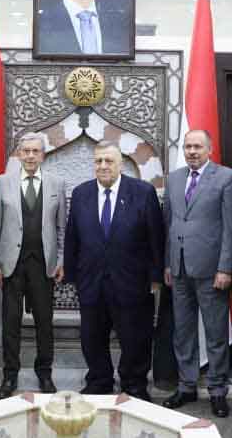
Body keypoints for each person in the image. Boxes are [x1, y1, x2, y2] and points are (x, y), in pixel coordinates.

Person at [64, 141, 164, 400]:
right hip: (92, 281)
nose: (103, 166)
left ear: (121, 164)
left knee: (135, 336)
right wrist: (73, 276)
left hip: (132, 280)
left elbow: (156, 236)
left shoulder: (142, 192)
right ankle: (99, 380)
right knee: (92, 337)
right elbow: (72, 237)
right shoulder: (81, 193)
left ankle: (134, 383)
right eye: (98, 161)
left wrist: (155, 276)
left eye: (109, 161)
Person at [162, 130, 232, 418]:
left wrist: (225, 267)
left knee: (216, 333)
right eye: (187, 146)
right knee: (183, 331)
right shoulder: (174, 178)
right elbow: (169, 224)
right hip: (180, 268)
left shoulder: (226, 178)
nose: (192, 151)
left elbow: (231, 228)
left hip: (212, 271)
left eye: (197, 146)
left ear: (209, 149)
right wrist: (168, 264)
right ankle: (186, 385)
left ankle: (218, 390)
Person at [0, 133, 66, 398]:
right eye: (26, 151)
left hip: (43, 265)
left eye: (35, 151)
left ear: (42, 155)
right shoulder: (3, 182)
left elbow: (61, 228)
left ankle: (44, 373)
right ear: (19, 154)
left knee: (45, 322)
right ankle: (10, 376)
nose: (30, 156)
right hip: (11, 265)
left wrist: (62, 261)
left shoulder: (57, 184)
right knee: (11, 322)